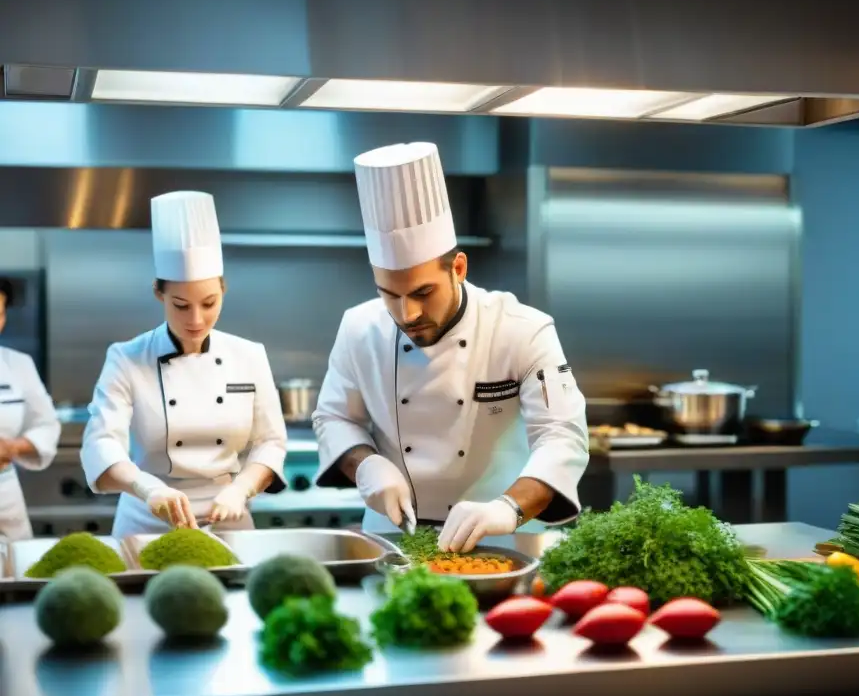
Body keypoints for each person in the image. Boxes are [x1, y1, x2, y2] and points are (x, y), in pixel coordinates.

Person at [312, 141, 589, 552]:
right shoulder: (358, 327)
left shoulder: (522, 329)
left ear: (458, 268)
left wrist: (508, 508)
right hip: (392, 539)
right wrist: (366, 465)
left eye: (423, 292)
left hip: (503, 539)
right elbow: (334, 418)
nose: (406, 314)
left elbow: (561, 435)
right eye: (389, 294)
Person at [80, 191, 288, 540]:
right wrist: (146, 487)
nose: (196, 319)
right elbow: (101, 442)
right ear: (158, 294)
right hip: (148, 518)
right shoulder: (126, 357)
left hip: (228, 518)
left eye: (209, 303)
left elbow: (271, 442)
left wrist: (242, 490)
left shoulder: (249, 355)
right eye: (180, 305)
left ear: (223, 289)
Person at [0, 277, 61, 540]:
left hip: (5, 495)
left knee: (18, 575)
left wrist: (12, 447)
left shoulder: (18, 364)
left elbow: (47, 424)